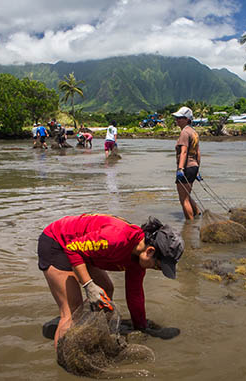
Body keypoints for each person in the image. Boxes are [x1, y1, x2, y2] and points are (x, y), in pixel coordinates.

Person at [38, 214, 183, 348]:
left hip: (83, 251)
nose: (156, 269)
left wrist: (141, 328)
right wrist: (89, 285)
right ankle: (63, 364)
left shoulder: (137, 262)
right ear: (150, 251)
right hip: (58, 243)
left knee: (106, 290)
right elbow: (72, 249)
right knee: (72, 312)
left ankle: (93, 333)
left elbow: (135, 295)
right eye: (158, 266)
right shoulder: (116, 237)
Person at [173, 106, 201, 220]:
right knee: (187, 195)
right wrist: (197, 170)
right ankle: (197, 214)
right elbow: (198, 153)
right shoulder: (194, 133)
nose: (177, 120)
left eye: (180, 118)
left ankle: (190, 225)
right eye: (177, 118)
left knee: (183, 199)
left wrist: (180, 169)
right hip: (193, 167)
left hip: (186, 167)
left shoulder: (185, 132)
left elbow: (184, 152)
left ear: (187, 119)